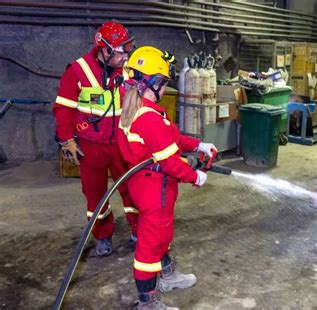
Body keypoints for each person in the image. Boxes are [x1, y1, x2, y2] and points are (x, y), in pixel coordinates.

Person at [117, 46, 217, 309]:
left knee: (159, 236)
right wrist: (195, 177)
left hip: (145, 185)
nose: (165, 89)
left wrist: (198, 145)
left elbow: (171, 137)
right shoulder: (148, 118)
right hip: (155, 190)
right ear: (153, 81)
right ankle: (148, 302)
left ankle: (169, 275)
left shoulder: (138, 108)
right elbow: (171, 163)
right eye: (164, 82)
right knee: (150, 246)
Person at [53, 21, 138, 256]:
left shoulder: (129, 69)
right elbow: (64, 109)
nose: (126, 55)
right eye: (122, 50)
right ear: (105, 49)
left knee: (134, 188)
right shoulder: (78, 71)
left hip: (123, 142)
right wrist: (66, 139)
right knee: (95, 195)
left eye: (128, 47)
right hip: (91, 146)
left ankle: (138, 229)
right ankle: (102, 235)